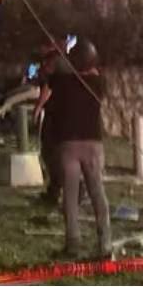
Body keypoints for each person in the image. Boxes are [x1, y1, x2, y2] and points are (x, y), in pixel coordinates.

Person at [47, 39, 110, 260]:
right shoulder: (100, 84)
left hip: (69, 145)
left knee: (70, 198)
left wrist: (61, 55)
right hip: (93, 144)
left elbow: (53, 74)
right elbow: (90, 73)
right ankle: (105, 245)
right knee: (97, 193)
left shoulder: (63, 82)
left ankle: (72, 244)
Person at [32, 48, 65, 206]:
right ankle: (55, 189)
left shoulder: (57, 77)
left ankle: (57, 189)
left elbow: (47, 90)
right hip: (58, 117)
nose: (45, 65)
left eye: (48, 62)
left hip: (55, 118)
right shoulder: (64, 77)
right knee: (51, 153)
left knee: (51, 153)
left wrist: (38, 108)